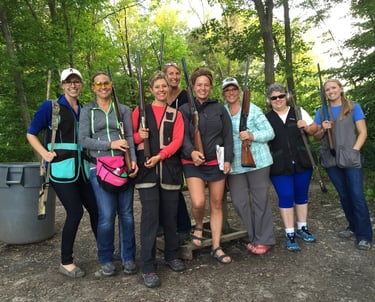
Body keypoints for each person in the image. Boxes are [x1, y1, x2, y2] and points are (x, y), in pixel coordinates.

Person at [27, 68, 98, 278]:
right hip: (60, 169)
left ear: (82, 85)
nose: (73, 85)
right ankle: (66, 261)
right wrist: (44, 154)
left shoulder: (84, 109)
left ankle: (104, 252)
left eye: (76, 82)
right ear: (62, 85)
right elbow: (31, 133)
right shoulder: (51, 107)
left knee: (96, 210)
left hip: (81, 170)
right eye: (69, 82)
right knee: (75, 212)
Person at [79, 71, 138, 277]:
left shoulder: (122, 110)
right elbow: (83, 140)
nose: (103, 86)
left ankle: (128, 258)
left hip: (123, 166)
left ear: (111, 85)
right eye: (98, 84)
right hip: (100, 168)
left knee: (127, 215)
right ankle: (105, 258)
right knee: (106, 217)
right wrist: (109, 144)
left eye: (106, 83)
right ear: (93, 87)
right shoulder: (88, 111)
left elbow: (130, 135)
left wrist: (134, 163)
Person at [132, 71, 186, 288]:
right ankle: (148, 266)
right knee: (150, 219)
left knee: (170, 217)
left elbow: (178, 141)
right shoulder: (140, 111)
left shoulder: (176, 113)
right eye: (158, 87)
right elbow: (129, 136)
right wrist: (139, 137)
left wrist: (160, 156)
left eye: (165, 86)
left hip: (170, 171)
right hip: (147, 173)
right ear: (151, 89)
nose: (162, 90)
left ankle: (172, 255)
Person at [179, 67, 234, 264]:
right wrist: (191, 152)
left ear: (210, 87)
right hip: (192, 163)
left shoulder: (220, 109)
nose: (203, 88)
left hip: (216, 163)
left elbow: (228, 136)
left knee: (217, 203)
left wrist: (227, 158)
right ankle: (200, 225)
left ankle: (216, 246)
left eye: (206, 85)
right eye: (199, 84)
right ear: (193, 87)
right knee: (199, 202)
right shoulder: (184, 110)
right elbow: (182, 136)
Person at [313, 79, 372, 250]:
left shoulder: (353, 107)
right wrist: (323, 129)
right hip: (331, 159)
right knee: (344, 196)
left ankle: (364, 235)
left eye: (333, 88)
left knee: (357, 195)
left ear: (340, 89)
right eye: (327, 89)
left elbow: (363, 132)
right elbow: (316, 136)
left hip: (350, 157)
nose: (330, 91)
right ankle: (352, 226)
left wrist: (354, 150)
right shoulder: (322, 112)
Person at [222, 77, 275, 255]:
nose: (231, 92)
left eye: (234, 89)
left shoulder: (253, 110)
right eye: (227, 90)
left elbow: (270, 133)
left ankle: (264, 239)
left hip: (258, 163)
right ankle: (254, 236)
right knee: (239, 202)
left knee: (260, 201)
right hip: (235, 165)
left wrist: (251, 136)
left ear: (239, 92)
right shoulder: (223, 112)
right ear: (223, 93)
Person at [265, 83, 317, 251]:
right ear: (269, 100)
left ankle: (302, 227)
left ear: (286, 96)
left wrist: (307, 126)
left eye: (281, 96)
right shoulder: (266, 118)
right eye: (274, 98)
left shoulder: (299, 111)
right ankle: (290, 232)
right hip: (279, 164)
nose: (278, 100)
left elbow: (315, 129)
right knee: (286, 195)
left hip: (302, 160)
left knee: (301, 195)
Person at [164, 62, 192, 243]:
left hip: (180, 146)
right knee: (160, 188)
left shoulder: (185, 96)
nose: (174, 77)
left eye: (177, 73)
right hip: (161, 147)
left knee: (175, 188)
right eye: (170, 74)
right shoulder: (161, 93)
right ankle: (164, 225)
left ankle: (183, 226)